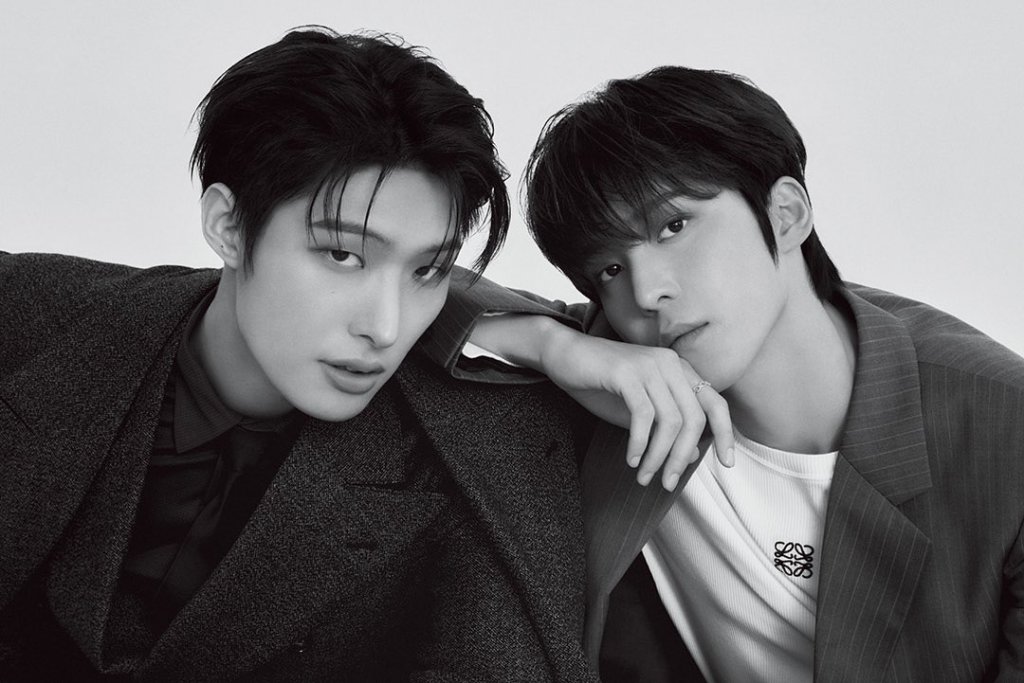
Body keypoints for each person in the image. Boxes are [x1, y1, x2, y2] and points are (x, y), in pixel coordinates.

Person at [0, 27, 597, 682]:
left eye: (428, 270)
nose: (385, 327)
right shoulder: (26, 314)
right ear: (227, 226)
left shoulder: (484, 452)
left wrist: (549, 338)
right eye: (342, 254)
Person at [432, 66, 1024, 681]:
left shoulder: (1003, 433)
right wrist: (549, 344)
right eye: (610, 269)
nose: (647, 292)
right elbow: (410, 288)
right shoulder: (621, 369)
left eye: (673, 226)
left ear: (786, 214)